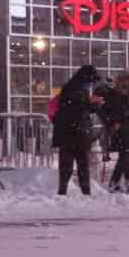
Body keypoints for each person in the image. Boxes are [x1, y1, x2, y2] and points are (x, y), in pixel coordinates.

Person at [49, 65, 102, 197]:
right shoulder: (79, 91)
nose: (91, 85)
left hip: (67, 133)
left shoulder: (69, 88)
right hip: (77, 133)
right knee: (82, 164)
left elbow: (71, 110)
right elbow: (82, 110)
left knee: (66, 164)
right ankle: (85, 192)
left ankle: (63, 191)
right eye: (91, 82)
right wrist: (95, 105)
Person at [99, 71, 129, 193]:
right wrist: (112, 123)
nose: (128, 83)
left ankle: (114, 182)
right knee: (125, 155)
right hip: (118, 131)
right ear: (120, 81)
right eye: (125, 80)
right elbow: (103, 112)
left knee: (124, 156)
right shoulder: (113, 94)